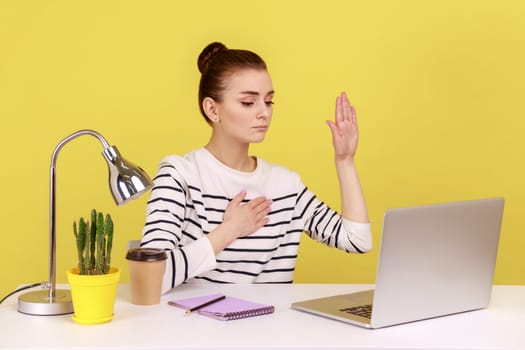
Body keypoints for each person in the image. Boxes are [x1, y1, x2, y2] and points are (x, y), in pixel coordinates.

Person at [140, 42, 372, 294]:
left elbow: (357, 240)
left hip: (271, 329)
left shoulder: (286, 185)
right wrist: (229, 230)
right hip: (197, 329)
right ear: (212, 109)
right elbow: (149, 279)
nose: (264, 112)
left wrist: (345, 161)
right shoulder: (179, 176)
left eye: (269, 101)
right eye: (249, 102)